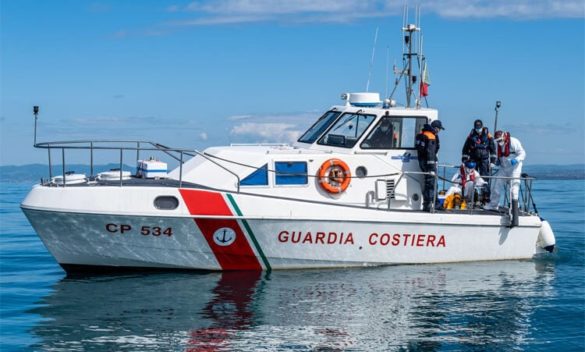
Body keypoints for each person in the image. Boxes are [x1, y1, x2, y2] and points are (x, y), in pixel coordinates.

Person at [485, 131, 526, 220]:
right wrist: (494, 164)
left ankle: (515, 207)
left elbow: (523, 153)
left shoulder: (514, 141)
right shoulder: (497, 144)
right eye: (497, 140)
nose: (499, 142)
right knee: (496, 186)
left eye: (500, 140)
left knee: (513, 188)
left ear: (504, 136)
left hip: (514, 168)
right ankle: (493, 205)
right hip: (503, 168)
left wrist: (516, 159)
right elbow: (498, 157)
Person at [461, 119, 496, 201]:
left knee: (484, 178)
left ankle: (486, 196)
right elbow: (465, 148)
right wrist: (464, 159)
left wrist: (493, 161)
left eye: (479, 127)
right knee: (472, 177)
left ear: (482, 127)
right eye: (476, 128)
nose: (478, 129)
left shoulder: (488, 136)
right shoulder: (471, 136)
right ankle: (473, 196)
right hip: (473, 160)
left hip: (484, 160)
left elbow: (493, 149)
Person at [416, 119, 444, 211]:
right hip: (429, 164)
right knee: (430, 184)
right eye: (439, 129)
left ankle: (434, 203)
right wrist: (432, 167)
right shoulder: (431, 136)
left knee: (431, 183)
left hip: (423, 162)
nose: (439, 131)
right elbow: (430, 152)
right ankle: (428, 205)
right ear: (436, 128)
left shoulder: (424, 134)